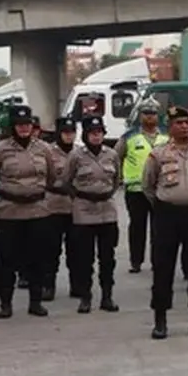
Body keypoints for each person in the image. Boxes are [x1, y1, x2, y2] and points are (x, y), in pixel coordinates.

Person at [142, 105, 188, 339]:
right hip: (167, 216)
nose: (184, 127)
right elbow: (148, 185)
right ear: (170, 127)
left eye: (187, 123)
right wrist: (165, 204)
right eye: (179, 123)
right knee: (163, 268)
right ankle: (160, 321)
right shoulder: (158, 153)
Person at [0, 104, 57, 319]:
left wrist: (37, 190)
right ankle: (6, 304)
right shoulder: (1, 149)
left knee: (37, 259)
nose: (24, 129)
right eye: (19, 125)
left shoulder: (43, 148)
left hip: (37, 211)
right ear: (12, 127)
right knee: (7, 260)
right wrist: (4, 191)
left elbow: (51, 177)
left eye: (27, 125)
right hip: (9, 212)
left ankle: (35, 302)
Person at [63, 115, 121, 314]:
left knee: (108, 257)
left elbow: (116, 181)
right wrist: (81, 197)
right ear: (86, 136)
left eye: (99, 133)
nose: (96, 137)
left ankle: (107, 296)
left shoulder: (112, 154)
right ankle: (85, 297)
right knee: (84, 258)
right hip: (84, 210)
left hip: (107, 210)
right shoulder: (76, 156)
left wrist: (104, 194)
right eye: (92, 134)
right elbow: (66, 181)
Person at [115, 99, 166, 273]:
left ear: (157, 116)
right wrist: (119, 177)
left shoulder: (166, 137)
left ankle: (157, 260)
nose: (149, 117)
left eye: (152, 114)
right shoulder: (129, 136)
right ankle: (136, 261)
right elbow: (115, 157)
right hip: (135, 190)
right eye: (146, 114)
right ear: (140, 115)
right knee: (137, 226)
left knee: (159, 228)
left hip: (160, 189)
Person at [41, 117, 77, 301]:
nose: (69, 136)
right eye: (65, 132)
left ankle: (77, 285)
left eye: (71, 132)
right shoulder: (48, 152)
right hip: (53, 206)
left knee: (76, 251)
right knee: (50, 250)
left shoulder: (80, 152)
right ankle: (48, 285)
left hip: (75, 208)